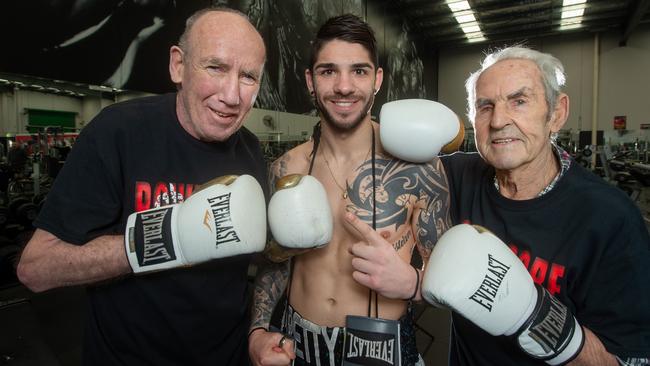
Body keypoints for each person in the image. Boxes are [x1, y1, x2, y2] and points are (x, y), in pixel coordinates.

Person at [17, 7, 268, 366]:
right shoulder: (118, 132)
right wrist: (165, 238)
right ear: (178, 65)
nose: (231, 95)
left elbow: (246, 250)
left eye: (248, 76)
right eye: (216, 67)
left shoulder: (251, 150)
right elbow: (36, 269)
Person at [248, 14, 453, 366]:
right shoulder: (285, 169)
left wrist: (411, 282)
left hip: (383, 347)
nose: (344, 86)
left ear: (377, 80)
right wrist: (257, 331)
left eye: (358, 71)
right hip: (297, 344)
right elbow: (275, 262)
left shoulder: (419, 170)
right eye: (329, 71)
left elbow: (448, 278)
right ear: (311, 81)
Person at [438, 46, 650, 365]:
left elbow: (629, 361)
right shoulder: (457, 176)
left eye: (519, 101)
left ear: (557, 113)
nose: (498, 120)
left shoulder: (611, 219)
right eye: (485, 107)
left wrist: (536, 317)